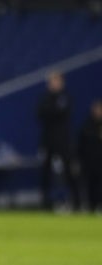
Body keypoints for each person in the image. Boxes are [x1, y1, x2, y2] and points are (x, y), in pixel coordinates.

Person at [37, 70, 81, 211]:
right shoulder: (45, 97)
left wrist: (52, 111)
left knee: (69, 171)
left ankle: (76, 201)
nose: (54, 84)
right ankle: (45, 202)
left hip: (63, 140)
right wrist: (54, 111)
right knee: (46, 173)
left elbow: (62, 112)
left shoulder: (65, 97)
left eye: (57, 81)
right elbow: (40, 113)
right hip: (48, 139)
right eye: (52, 81)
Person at [78, 98, 102, 213]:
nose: (98, 111)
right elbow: (80, 144)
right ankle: (90, 206)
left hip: (100, 161)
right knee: (89, 185)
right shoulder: (86, 125)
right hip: (88, 161)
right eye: (96, 109)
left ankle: (99, 206)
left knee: (99, 185)